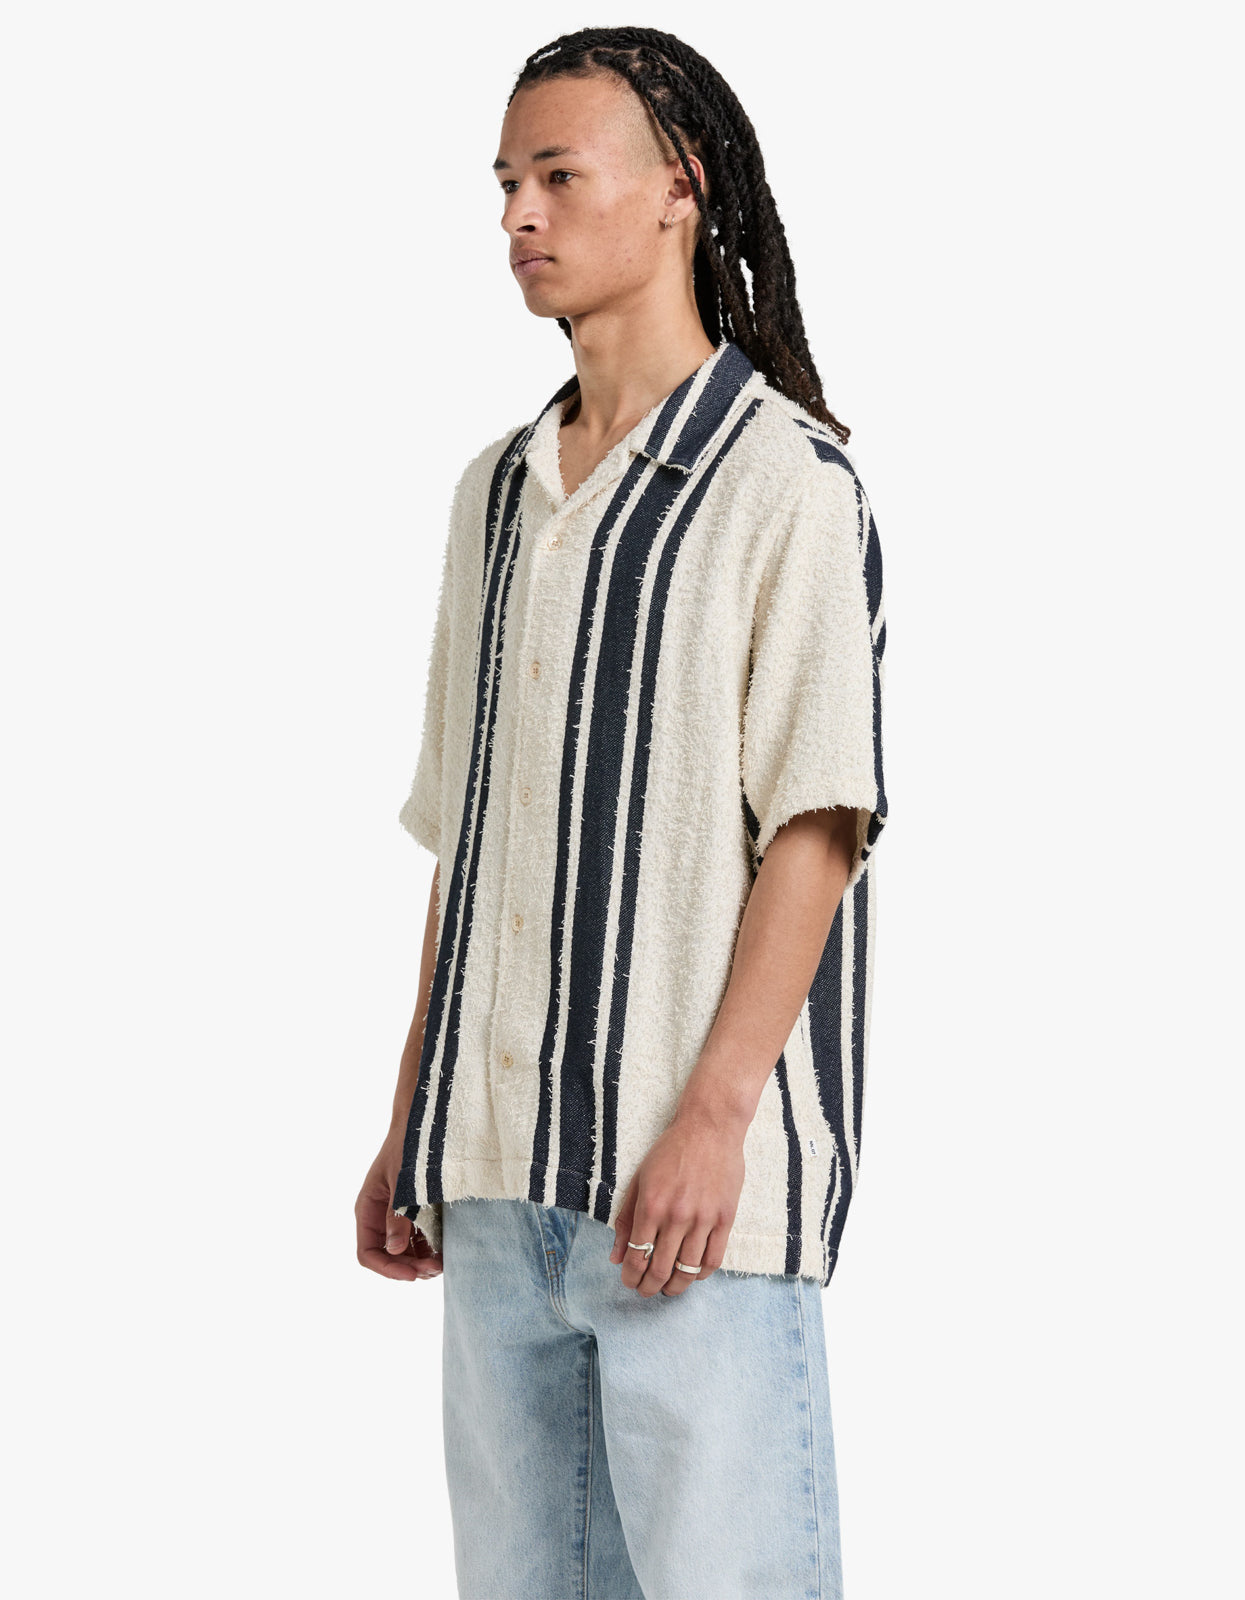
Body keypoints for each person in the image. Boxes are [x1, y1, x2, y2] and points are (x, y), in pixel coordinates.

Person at [355, 26, 889, 1600]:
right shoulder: (496, 494)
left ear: (677, 189)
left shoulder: (785, 484)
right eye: (503, 183)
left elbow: (816, 829)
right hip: (494, 1181)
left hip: (688, 1199)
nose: (517, 214)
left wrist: (715, 1120)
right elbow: (468, 830)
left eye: (556, 176)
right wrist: (414, 1113)